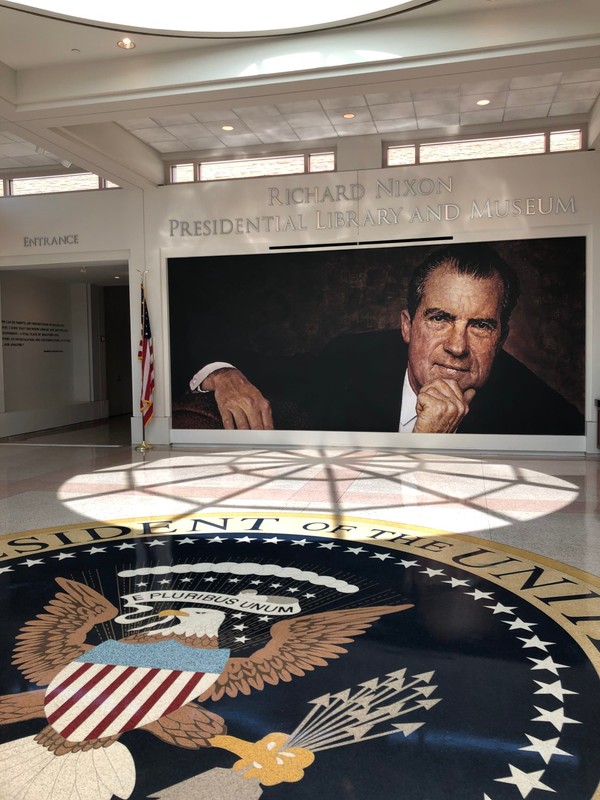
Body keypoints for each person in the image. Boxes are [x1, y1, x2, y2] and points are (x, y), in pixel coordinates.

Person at [183, 243, 584, 435]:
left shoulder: (545, 416)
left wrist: (429, 447)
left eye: (480, 325)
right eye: (440, 319)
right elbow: (266, 368)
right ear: (407, 326)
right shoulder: (352, 357)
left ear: (502, 337)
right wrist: (224, 375)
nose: (457, 345)